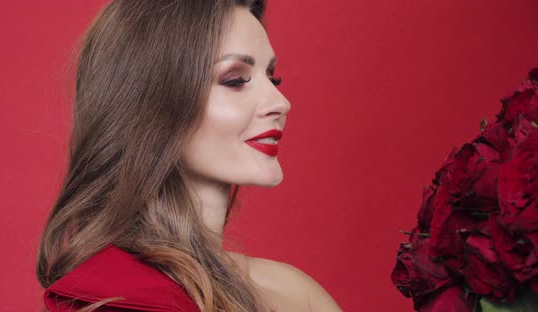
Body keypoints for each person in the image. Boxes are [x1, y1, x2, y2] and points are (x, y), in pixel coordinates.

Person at [36, 0, 343, 311]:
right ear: (150, 105)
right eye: (235, 80)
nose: (280, 102)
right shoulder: (117, 299)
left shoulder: (294, 291)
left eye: (272, 77)